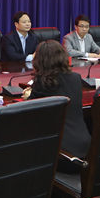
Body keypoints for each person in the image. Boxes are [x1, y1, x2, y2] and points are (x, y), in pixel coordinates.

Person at [23, 40, 90, 171]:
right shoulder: (76, 78)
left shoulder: (43, 82)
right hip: (85, 148)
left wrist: (28, 96)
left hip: (63, 155)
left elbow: (30, 112)